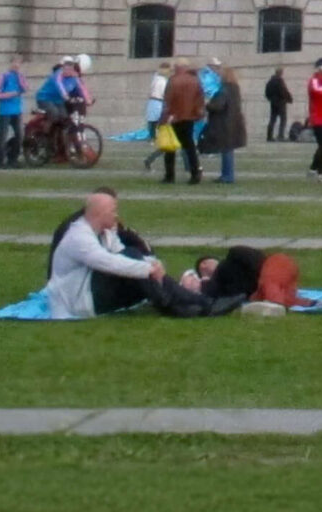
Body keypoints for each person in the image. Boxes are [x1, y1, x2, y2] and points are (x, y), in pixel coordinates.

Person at [47, 188, 171, 318]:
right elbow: (107, 262)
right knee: (132, 255)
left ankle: (176, 299)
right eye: (113, 211)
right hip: (77, 300)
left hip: (90, 288)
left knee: (136, 271)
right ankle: (170, 302)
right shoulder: (78, 236)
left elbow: (119, 252)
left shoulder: (105, 232)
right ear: (101, 213)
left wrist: (154, 263)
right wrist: (148, 268)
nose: (116, 215)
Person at [160, 60, 206, 185]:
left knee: (170, 147)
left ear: (179, 67)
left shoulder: (173, 80)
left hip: (174, 117)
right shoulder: (195, 80)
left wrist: (165, 117)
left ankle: (170, 175)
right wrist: (198, 113)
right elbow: (200, 99)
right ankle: (195, 173)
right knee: (190, 147)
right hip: (189, 117)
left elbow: (167, 99)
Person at [208, 67, 248, 184]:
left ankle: (227, 176)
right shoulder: (235, 88)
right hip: (233, 121)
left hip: (224, 122)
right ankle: (226, 174)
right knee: (228, 149)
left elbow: (219, 105)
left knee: (226, 150)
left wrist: (209, 105)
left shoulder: (224, 89)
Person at [262, 66, 292, 143]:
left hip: (273, 102)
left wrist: (270, 99)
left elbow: (267, 92)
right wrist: (289, 98)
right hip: (281, 103)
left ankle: (269, 136)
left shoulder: (270, 81)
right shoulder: (280, 81)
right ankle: (280, 136)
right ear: (281, 73)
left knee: (272, 119)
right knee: (283, 119)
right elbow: (283, 91)